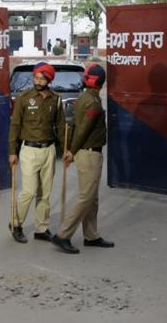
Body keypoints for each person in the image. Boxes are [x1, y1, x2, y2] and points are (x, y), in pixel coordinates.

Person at [52, 63, 113, 254]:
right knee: (85, 196)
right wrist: (70, 151)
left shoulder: (84, 97)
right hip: (89, 154)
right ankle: (63, 235)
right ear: (100, 82)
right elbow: (83, 130)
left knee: (92, 198)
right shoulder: (93, 102)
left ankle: (91, 235)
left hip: (86, 152)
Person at [8, 62, 72, 243]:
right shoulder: (24, 97)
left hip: (49, 150)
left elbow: (60, 126)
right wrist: (12, 151)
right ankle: (16, 224)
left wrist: (66, 148)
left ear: (49, 80)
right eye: (35, 77)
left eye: (42, 78)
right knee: (28, 191)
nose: (37, 80)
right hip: (28, 150)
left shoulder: (56, 99)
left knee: (45, 193)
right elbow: (15, 126)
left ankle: (41, 228)